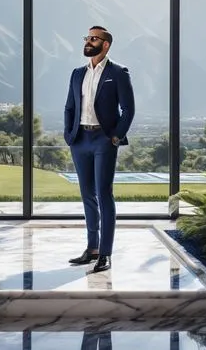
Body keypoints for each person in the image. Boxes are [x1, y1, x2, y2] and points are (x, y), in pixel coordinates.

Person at [64, 26, 135, 272]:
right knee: (87, 194)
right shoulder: (76, 73)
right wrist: (69, 134)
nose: (88, 41)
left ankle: (106, 253)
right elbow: (69, 107)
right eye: (87, 37)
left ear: (105, 44)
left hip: (104, 140)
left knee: (104, 194)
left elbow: (128, 110)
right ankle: (92, 248)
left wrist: (115, 137)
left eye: (93, 38)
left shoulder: (118, 73)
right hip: (80, 140)